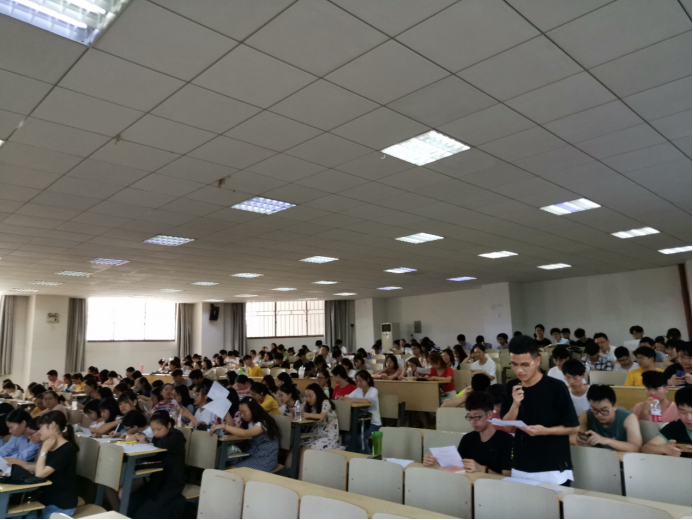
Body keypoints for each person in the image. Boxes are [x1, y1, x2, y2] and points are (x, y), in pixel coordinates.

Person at [501, 336, 579, 485]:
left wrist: (545, 431)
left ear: (537, 361)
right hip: (521, 463)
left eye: (525, 365)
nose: (519, 370)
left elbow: (574, 427)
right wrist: (515, 405)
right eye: (514, 364)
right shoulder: (512, 386)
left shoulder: (556, 387)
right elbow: (508, 427)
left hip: (553, 466)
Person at [424, 392, 512, 476]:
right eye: (469, 417)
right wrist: (436, 465)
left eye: (477, 417)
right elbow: (457, 468)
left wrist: (482, 469)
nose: (472, 422)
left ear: (489, 415)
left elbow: (507, 476)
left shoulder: (506, 440)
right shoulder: (467, 439)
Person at [129, 411, 186, 519]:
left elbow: (158, 450)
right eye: (153, 429)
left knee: (147, 511)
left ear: (169, 425)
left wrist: (145, 443)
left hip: (172, 481)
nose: (156, 433)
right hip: (157, 479)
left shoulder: (177, 436)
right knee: (133, 501)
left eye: (159, 429)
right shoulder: (158, 438)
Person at [211, 398, 280, 473]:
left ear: (253, 409)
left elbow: (246, 433)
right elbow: (238, 430)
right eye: (240, 412)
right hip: (252, 455)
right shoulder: (249, 422)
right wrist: (228, 430)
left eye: (244, 412)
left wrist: (224, 426)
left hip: (265, 459)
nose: (242, 415)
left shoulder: (263, 423)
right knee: (225, 466)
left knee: (230, 470)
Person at [31, 412, 79, 518]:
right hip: (48, 499)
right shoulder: (51, 446)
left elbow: (40, 474)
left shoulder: (67, 449)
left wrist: (44, 449)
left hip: (61, 504)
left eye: (41, 427)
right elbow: (39, 469)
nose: (39, 432)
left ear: (52, 425)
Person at [574, 385, 642, 453]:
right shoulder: (586, 415)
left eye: (604, 410)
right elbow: (577, 438)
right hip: (596, 456)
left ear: (615, 406)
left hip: (620, 457)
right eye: (594, 409)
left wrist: (606, 440)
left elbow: (636, 448)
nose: (599, 415)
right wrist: (580, 442)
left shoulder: (628, 418)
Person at [642, 387, 692, 458]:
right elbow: (646, 448)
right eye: (683, 412)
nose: (688, 418)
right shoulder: (675, 427)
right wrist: (664, 449)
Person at [340, 371, 382, 454]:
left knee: (359, 437)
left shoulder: (374, 390)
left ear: (368, 380)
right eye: (357, 381)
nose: (359, 383)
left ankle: (368, 454)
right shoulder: (357, 390)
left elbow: (367, 401)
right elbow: (347, 398)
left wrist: (349, 399)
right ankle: (354, 453)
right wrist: (342, 398)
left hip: (373, 423)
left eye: (361, 380)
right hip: (361, 422)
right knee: (348, 436)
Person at [302, 383, 341, 452]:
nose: (308, 399)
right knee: (296, 447)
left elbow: (321, 416)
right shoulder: (310, 405)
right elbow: (299, 411)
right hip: (315, 435)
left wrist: (306, 414)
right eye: (306, 396)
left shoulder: (325, 402)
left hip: (328, 437)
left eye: (310, 396)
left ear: (317, 395)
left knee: (305, 450)